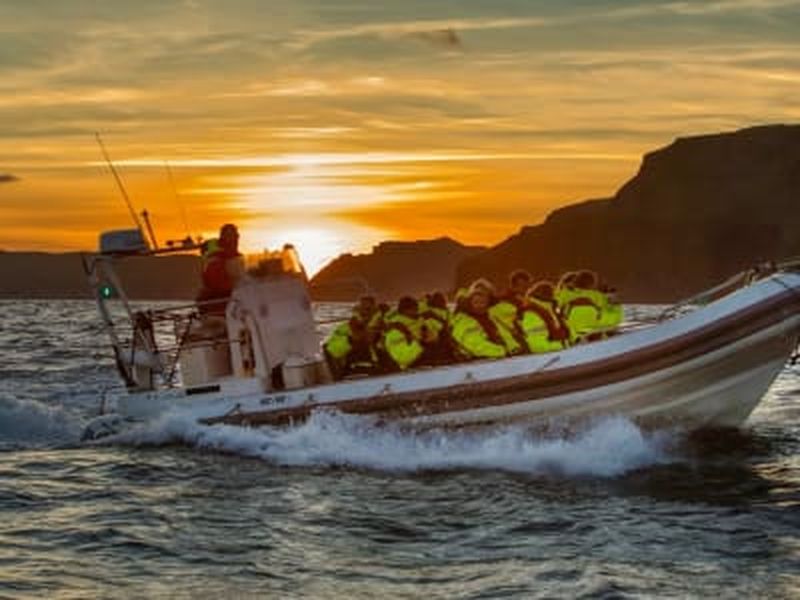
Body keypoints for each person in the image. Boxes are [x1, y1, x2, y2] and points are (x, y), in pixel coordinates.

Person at [196, 223, 244, 315]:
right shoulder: (218, 258)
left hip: (234, 305)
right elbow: (218, 284)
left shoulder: (235, 257)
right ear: (223, 237)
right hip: (219, 307)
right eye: (230, 235)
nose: (236, 238)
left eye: (236, 235)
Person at [450, 284, 508, 360]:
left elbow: (505, 337)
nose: (480, 306)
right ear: (470, 304)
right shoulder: (464, 321)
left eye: (483, 302)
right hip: (475, 362)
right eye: (476, 302)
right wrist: (500, 351)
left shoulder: (490, 318)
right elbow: (474, 344)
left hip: (495, 359)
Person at [489, 269, 531, 356]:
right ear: (513, 286)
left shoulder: (526, 301)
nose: (525, 290)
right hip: (515, 345)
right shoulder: (504, 303)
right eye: (522, 286)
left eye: (527, 287)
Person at [520, 280, 570, 353]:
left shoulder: (550, 309)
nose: (554, 296)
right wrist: (560, 346)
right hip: (548, 357)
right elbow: (536, 344)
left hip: (558, 353)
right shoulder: (532, 315)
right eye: (552, 293)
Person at [381, 296, 427, 371]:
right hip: (403, 357)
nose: (416, 311)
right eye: (413, 309)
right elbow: (387, 341)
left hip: (417, 354)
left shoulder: (420, 320)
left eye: (416, 308)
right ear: (404, 310)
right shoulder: (395, 322)